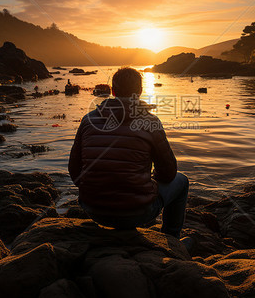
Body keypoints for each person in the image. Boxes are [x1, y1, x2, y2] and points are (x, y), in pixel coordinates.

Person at [68, 67, 189, 239]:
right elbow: (169, 174)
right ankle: (172, 241)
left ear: (113, 91)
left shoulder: (88, 120)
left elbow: (74, 172)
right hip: (137, 213)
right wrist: (149, 181)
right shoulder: (151, 122)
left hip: (93, 209)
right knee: (181, 181)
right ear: (140, 91)